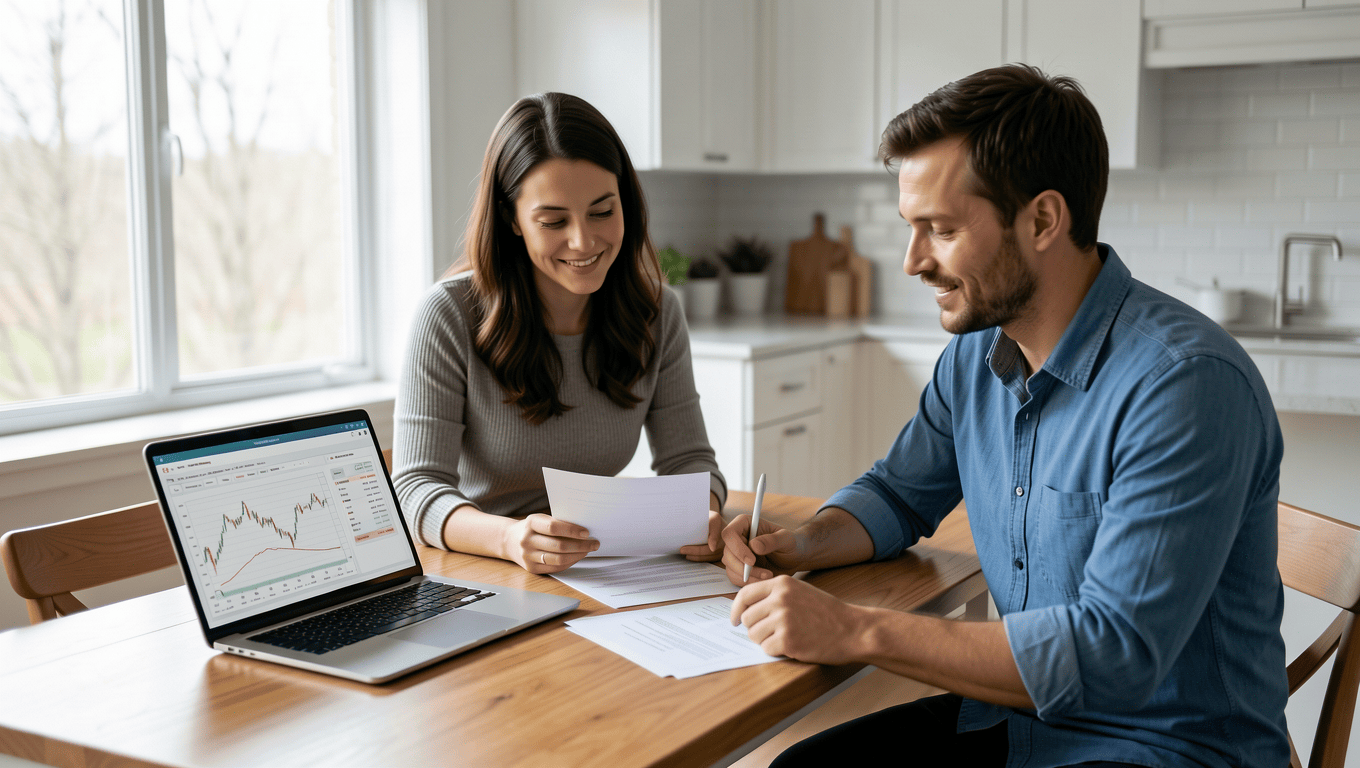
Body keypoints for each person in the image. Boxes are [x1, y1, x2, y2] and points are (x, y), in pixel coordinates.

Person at [723, 65, 1289, 768]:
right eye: (911, 228)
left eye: (941, 229)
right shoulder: (975, 359)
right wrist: (805, 543)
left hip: (1166, 748)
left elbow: (1115, 655)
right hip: (1020, 723)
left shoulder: (1184, 385)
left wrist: (856, 631)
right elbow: (900, 493)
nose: (911, 261)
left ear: (1043, 220)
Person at [393, 92, 727, 574]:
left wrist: (706, 513)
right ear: (511, 219)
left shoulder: (657, 312)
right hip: (483, 566)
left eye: (601, 211)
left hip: (596, 569)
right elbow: (414, 489)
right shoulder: (447, 315)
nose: (584, 241)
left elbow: (691, 461)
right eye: (553, 221)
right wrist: (510, 539)